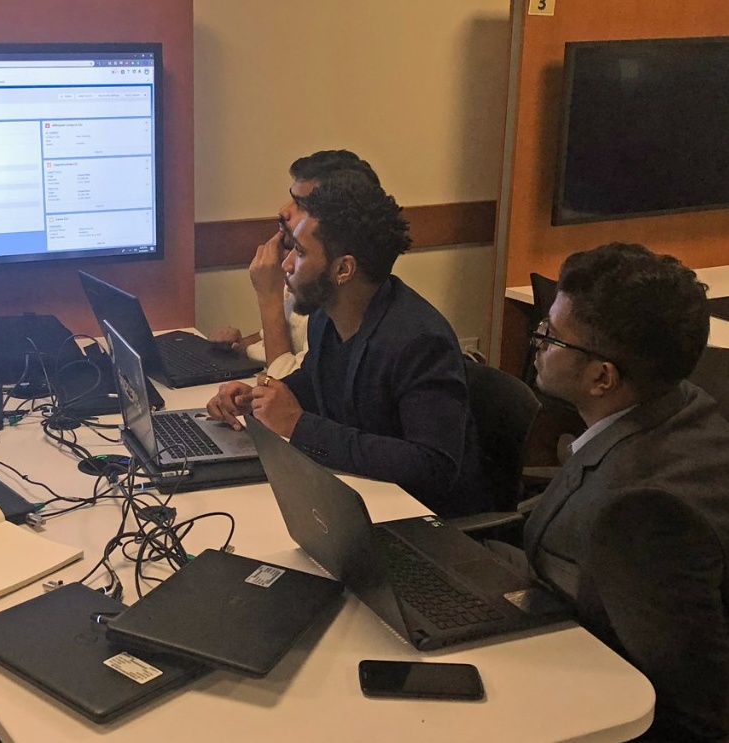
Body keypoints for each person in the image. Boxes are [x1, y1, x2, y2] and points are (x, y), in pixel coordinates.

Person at [523, 242, 729, 741]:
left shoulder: (642, 512)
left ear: (602, 377)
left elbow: (695, 710)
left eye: (552, 336)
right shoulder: (681, 401)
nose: (538, 341)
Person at [207, 170, 489, 518]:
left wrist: (299, 426)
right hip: (361, 501)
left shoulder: (419, 341)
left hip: (422, 524)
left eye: (300, 252)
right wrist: (257, 399)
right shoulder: (327, 316)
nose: (286, 264)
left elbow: (432, 465)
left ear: (343, 269)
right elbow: (318, 382)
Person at [210, 150, 380, 379]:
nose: (284, 210)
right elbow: (289, 332)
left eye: (301, 204)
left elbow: (293, 383)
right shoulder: (304, 266)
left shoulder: (331, 288)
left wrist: (268, 295)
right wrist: (242, 346)